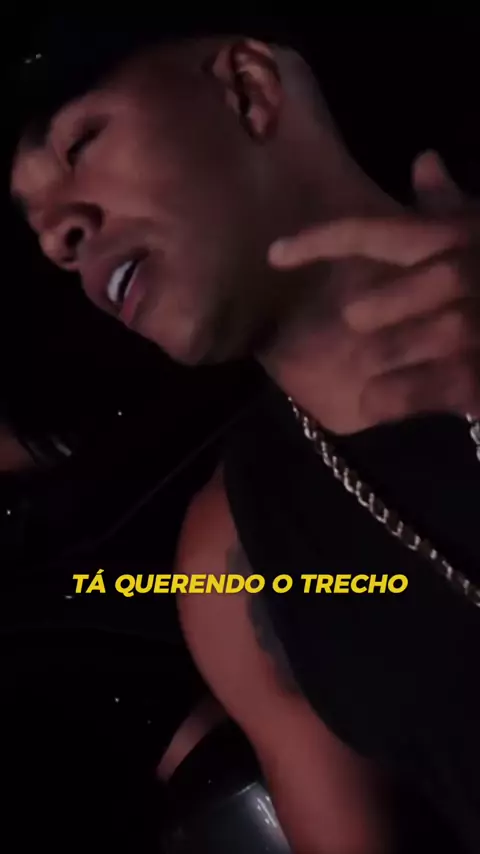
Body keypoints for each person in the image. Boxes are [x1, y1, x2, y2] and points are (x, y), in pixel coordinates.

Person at [9, 15, 480, 852]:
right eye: (38, 223)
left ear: (247, 89)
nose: (59, 232)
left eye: (81, 142)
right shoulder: (229, 567)